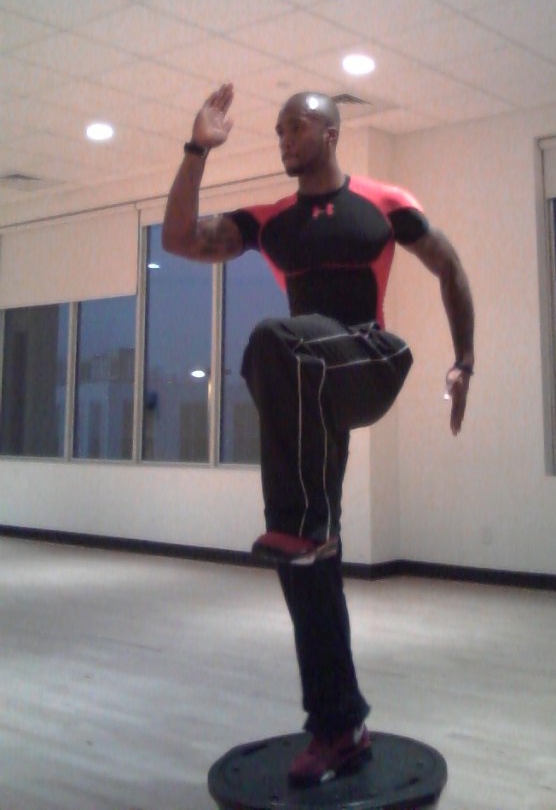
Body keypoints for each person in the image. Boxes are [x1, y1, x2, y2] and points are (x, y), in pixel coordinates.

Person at [162, 81, 475, 787]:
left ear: (330, 132)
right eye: (277, 130)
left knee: (276, 340)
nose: (284, 138)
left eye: (296, 126)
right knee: (305, 560)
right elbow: (180, 238)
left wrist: (465, 361)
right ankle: (340, 727)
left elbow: (449, 265)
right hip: (310, 390)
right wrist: (196, 150)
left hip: (370, 360)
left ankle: (300, 523)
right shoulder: (272, 222)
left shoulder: (384, 203)